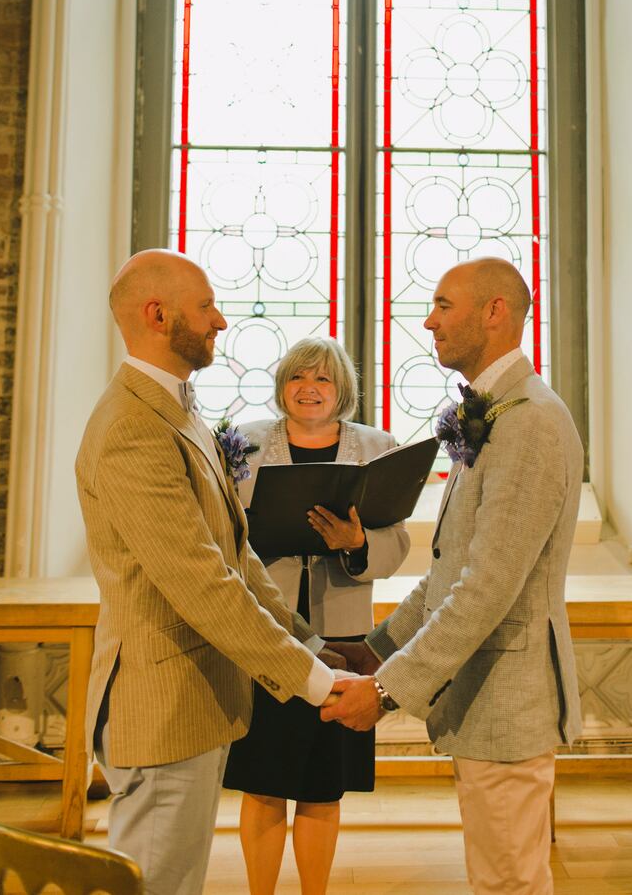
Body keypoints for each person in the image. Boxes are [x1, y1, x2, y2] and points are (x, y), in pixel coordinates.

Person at [75, 250, 343, 895]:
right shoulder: (132, 427)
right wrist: (310, 680)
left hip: (195, 697)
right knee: (158, 884)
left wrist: (309, 642)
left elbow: (236, 553)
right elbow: (200, 581)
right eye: (205, 307)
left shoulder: (180, 411)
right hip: (161, 702)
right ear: (157, 314)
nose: (220, 320)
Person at [322, 257, 583, 895]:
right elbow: (449, 574)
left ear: (496, 312)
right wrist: (373, 649)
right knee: (497, 876)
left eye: (443, 305)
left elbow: (487, 588)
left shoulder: (529, 422)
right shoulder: (497, 414)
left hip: (508, 700)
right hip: (482, 698)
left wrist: (385, 691)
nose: (427, 320)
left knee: (508, 883)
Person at [223, 337, 410, 895]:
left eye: (323, 379)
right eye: (298, 378)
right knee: (263, 779)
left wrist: (357, 542)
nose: (309, 389)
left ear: (342, 390)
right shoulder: (244, 443)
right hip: (266, 629)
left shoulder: (378, 447)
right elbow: (217, 527)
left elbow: (396, 543)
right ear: (282, 385)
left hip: (342, 633)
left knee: (322, 782)